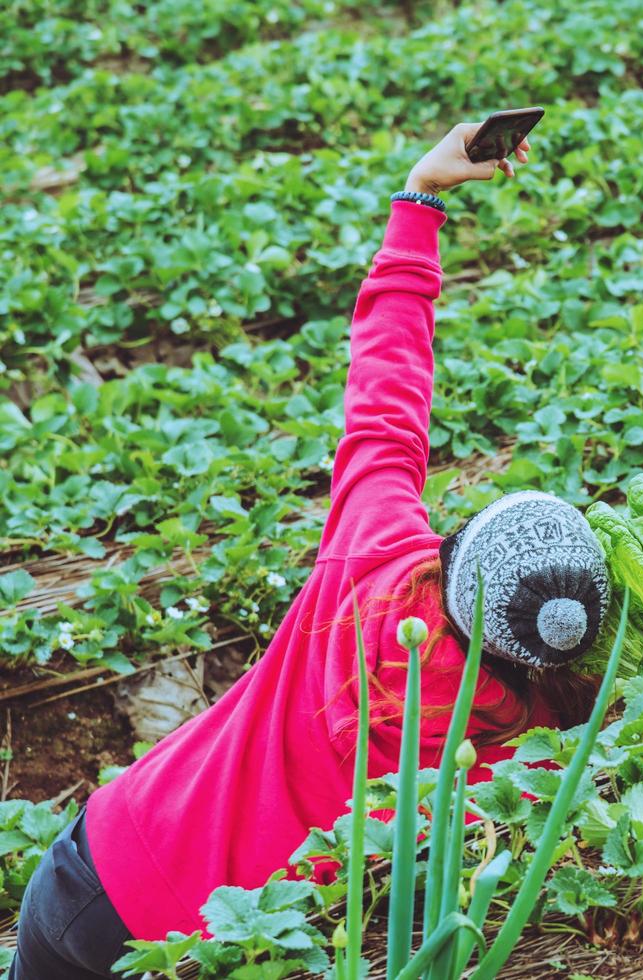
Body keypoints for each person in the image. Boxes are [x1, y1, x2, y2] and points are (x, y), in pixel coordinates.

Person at [13, 123, 610, 978]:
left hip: (94, 863)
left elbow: (387, 388)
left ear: (456, 548)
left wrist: (420, 201)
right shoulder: (514, 769)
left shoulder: (375, 549)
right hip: (189, 952)